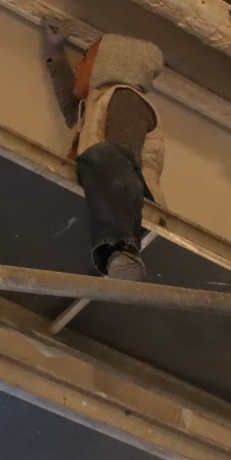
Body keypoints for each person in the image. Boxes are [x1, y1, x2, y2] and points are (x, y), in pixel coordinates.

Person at [41, 21, 166, 281]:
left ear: (109, 65)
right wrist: (56, 52)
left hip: (133, 201)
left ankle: (122, 250)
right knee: (90, 160)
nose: (79, 65)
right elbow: (70, 106)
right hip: (107, 194)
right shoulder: (93, 108)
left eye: (85, 58)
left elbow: (123, 158)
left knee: (104, 155)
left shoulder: (125, 97)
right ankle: (115, 251)